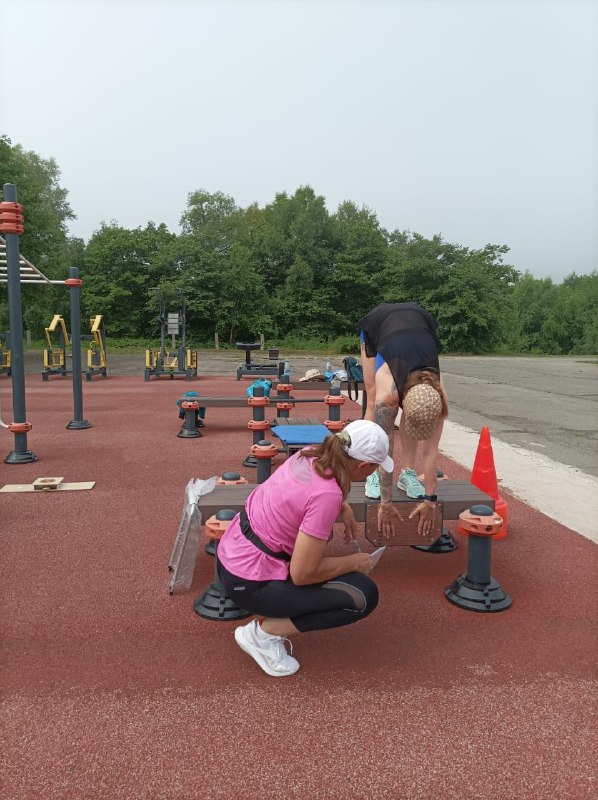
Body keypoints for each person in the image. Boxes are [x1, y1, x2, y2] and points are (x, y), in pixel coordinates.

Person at [216, 419, 393, 677]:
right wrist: (355, 562)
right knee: (363, 596)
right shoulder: (326, 496)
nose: (374, 472)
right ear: (364, 466)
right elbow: (303, 574)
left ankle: (266, 624)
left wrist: (343, 506)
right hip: (249, 581)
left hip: (232, 556)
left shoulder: (310, 453)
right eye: (375, 468)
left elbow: (303, 494)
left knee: (328, 568)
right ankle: (263, 635)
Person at [356, 302, 448, 538]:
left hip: (420, 324)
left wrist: (430, 499)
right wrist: (385, 503)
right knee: (373, 395)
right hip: (379, 325)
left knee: (417, 412)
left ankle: (407, 473)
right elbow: (384, 449)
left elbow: (430, 450)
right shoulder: (389, 394)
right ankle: (372, 474)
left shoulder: (437, 397)